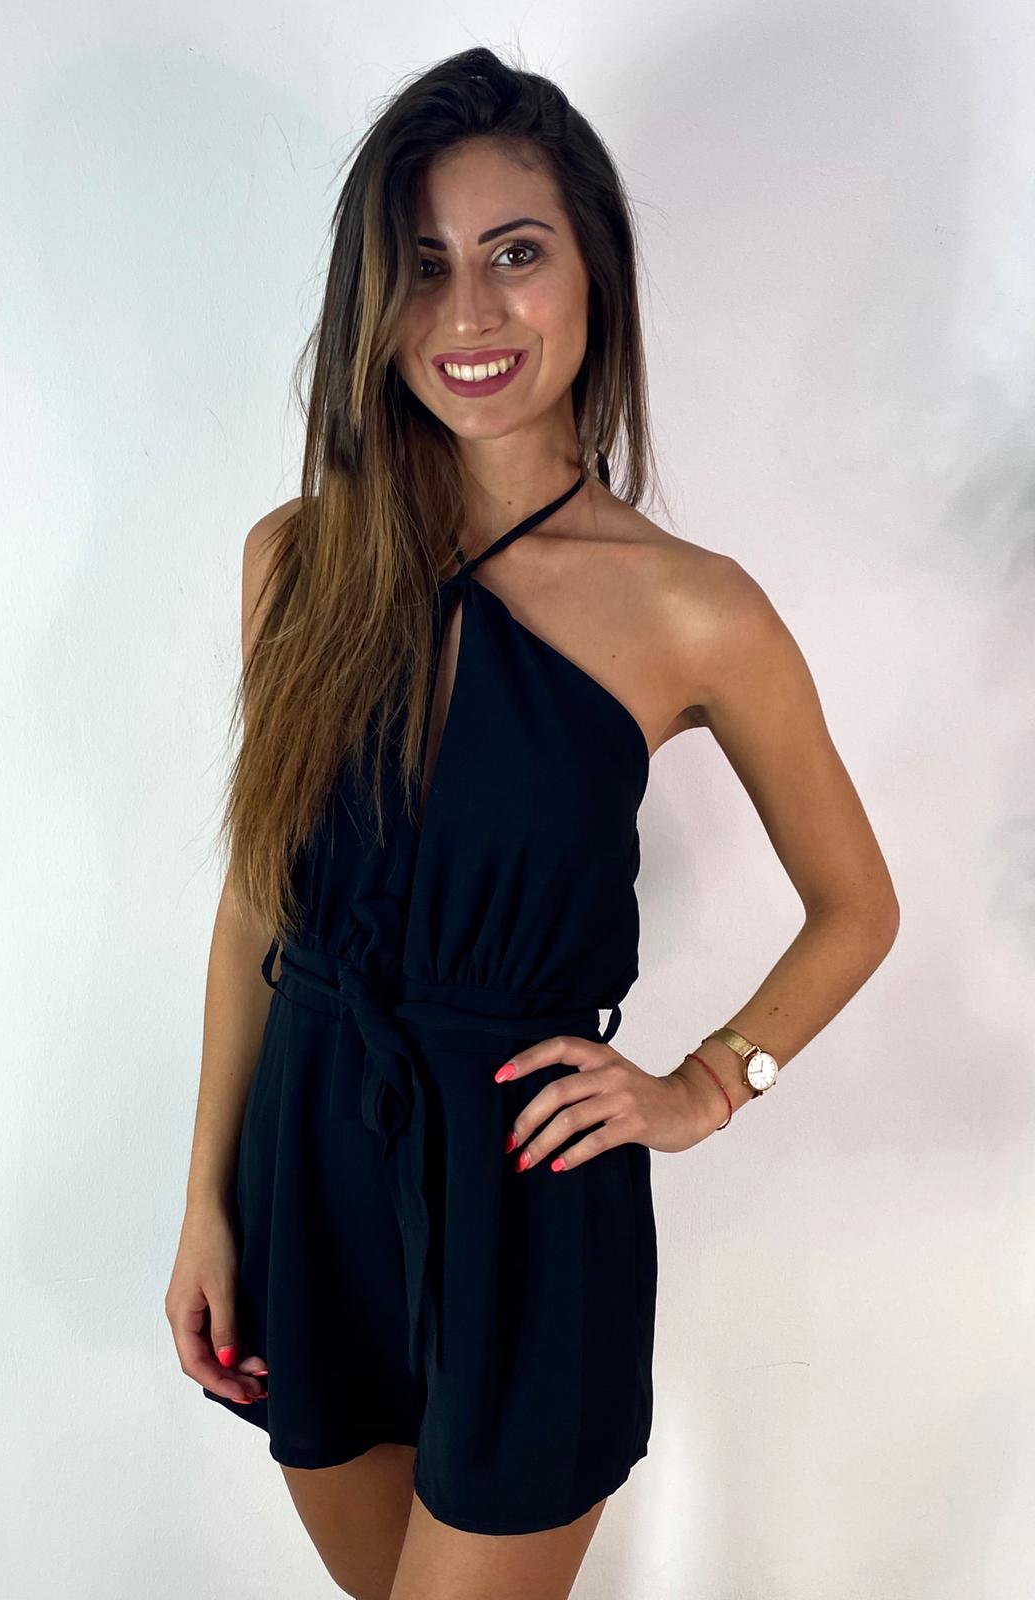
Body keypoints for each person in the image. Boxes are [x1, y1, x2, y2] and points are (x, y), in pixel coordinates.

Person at [165, 45, 900, 1600]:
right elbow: (256, 910)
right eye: (424, 268)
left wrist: (708, 1085)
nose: (469, 315)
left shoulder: (694, 610)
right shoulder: (295, 560)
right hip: (313, 1173)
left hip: (529, 1195)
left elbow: (857, 906)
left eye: (515, 254)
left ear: (594, 274)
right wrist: (206, 1206)